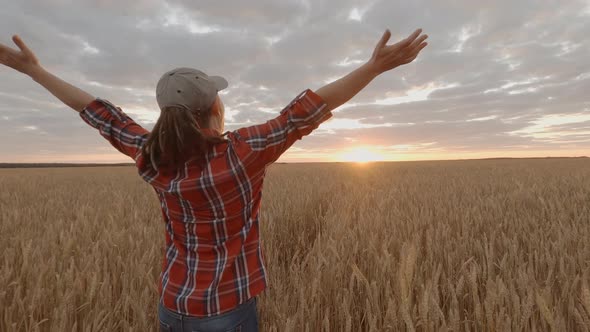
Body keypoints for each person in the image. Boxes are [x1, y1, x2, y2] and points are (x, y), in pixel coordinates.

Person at [0, 28, 427, 332]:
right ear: (212, 109)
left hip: (172, 304)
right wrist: (373, 67)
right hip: (227, 308)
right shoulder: (241, 154)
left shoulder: (151, 154)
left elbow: (100, 114)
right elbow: (303, 112)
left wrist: (35, 72)